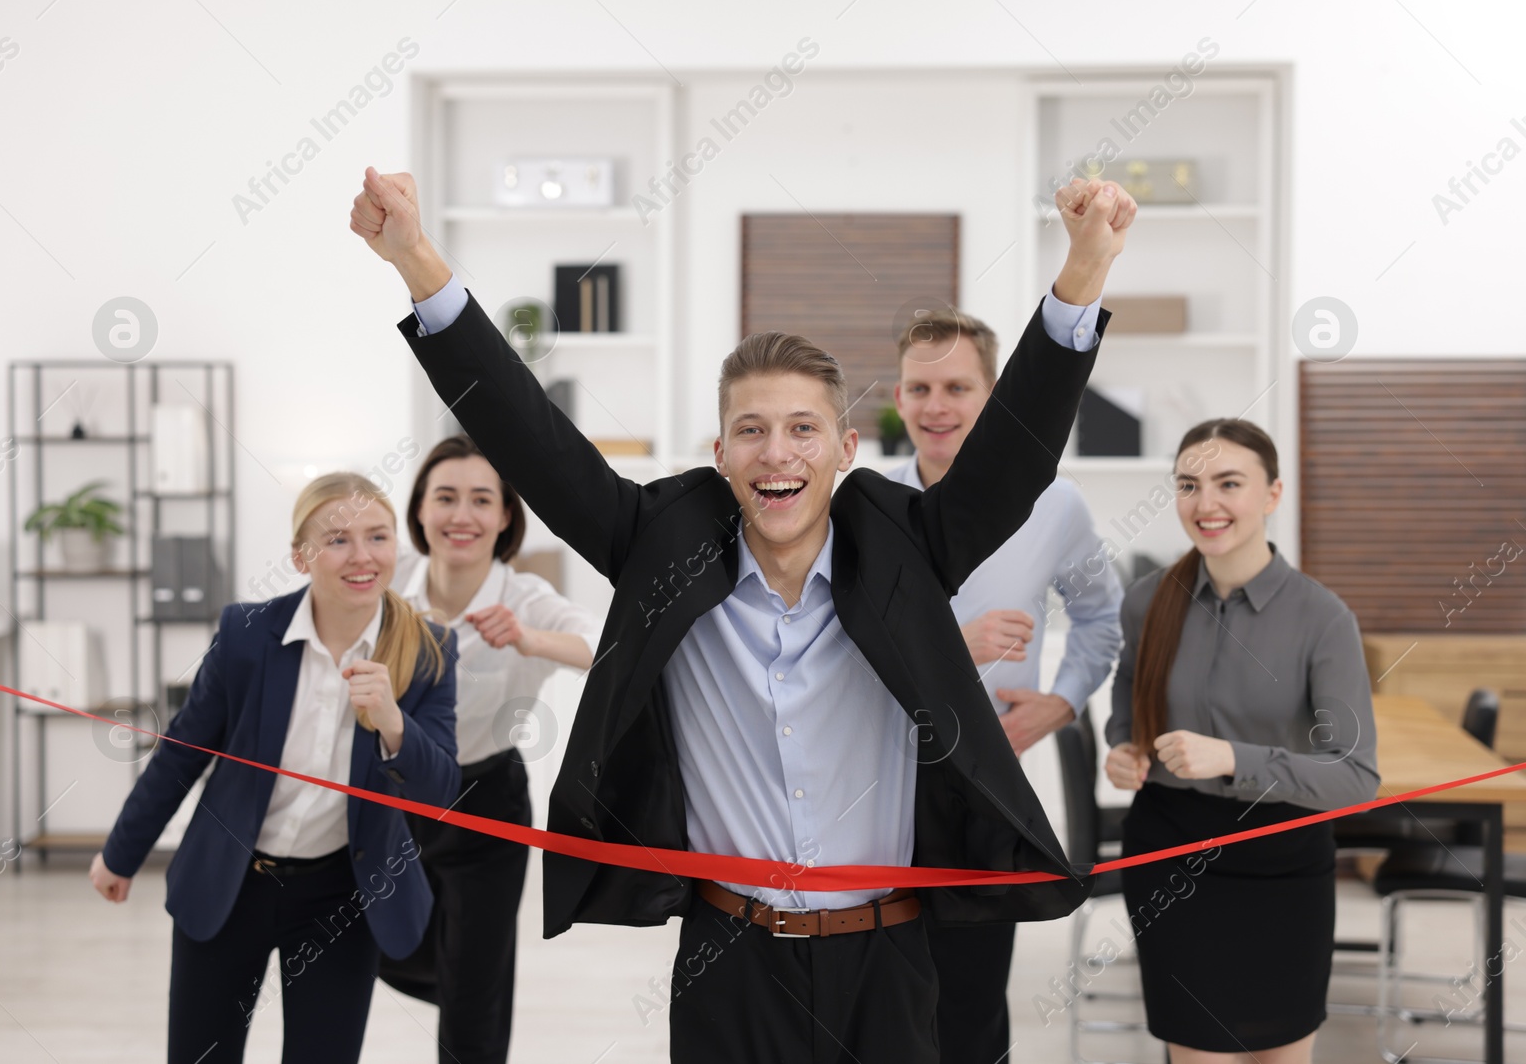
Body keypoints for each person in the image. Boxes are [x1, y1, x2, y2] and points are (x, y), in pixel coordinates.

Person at [350, 164, 1137, 1062]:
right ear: (720, 451)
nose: (778, 452)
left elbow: (1012, 457)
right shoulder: (661, 538)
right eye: (753, 430)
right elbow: (533, 440)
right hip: (727, 960)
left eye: (804, 428)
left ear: (844, 448)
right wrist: (415, 258)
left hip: (888, 958)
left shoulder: (905, 541)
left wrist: (1082, 275)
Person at [88, 473, 461, 1064]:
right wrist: (121, 853)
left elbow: (441, 790)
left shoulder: (428, 647)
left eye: (378, 537)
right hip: (232, 881)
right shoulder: (246, 634)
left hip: (342, 894)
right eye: (338, 540)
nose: (362, 557)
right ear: (301, 556)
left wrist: (393, 721)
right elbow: (184, 749)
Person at [887, 305, 1124, 1062]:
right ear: (897, 398)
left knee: (972, 1000)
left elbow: (1099, 619)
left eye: (958, 386)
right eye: (920, 387)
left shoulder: (1055, 505)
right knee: (880, 991)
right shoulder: (863, 504)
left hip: (983, 792)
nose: (937, 406)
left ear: (992, 396)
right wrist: (947, 646)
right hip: (870, 779)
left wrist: (1059, 702)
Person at [1103, 419, 1378, 1064]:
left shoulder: (1323, 618)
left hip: (1281, 864)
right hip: (1171, 859)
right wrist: (1124, 748)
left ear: (1272, 494)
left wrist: (1235, 760)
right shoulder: (1147, 601)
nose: (1207, 505)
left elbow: (1356, 779)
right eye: (1189, 485)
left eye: (1230, 483)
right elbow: (1127, 698)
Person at [378, 434, 601, 1064]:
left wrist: (529, 638)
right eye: (445, 497)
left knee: (475, 993)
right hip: (393, 793)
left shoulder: (524, 597)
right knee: (383, 943)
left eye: (482, 500)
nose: (462, 515)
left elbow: (601, 646)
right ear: (420, 509)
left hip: (486, 803)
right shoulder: (388, 581)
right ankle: (456, 979)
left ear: (505, 517)